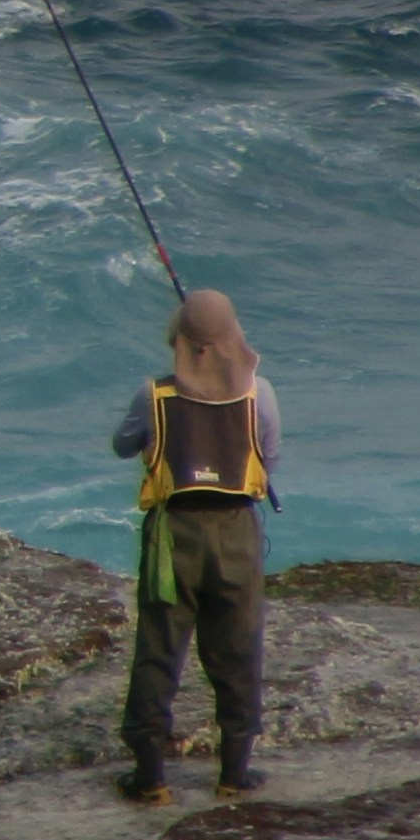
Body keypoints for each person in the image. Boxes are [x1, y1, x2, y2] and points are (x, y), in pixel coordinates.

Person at [110, 287, 278, 803]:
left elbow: (123, 445)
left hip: (172, 537)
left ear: (180, 341)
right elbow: (269, 458)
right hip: (235, 533)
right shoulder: (260, 394)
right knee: (237, 650)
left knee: (159, 651)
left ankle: (151, 779)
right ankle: (234, 774)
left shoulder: (152, 395)